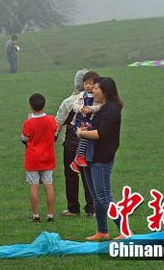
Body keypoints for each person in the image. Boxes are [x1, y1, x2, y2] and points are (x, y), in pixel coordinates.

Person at [76, 76, 123, 241]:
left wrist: (81, 133)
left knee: (104, 196)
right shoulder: (103, 108)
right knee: (96, 196)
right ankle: (102, 231)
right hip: (91, 155)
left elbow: (100, 134)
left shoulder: (111, 109)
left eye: (96, 88)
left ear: (105, 91)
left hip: (102, 157)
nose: (93, 90)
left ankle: (125, 230)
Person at [55, 69, 95, 217]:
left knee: (71, 176)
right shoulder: (96, 100)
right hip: (90, 142)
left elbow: (57, 125)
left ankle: (73, 208)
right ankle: (92, 209)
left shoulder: (68, 102)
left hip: (71, 143)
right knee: (88, 176)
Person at [21, 93, 57, 223]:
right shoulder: (51, 120)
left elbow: (24, 138)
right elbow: (55, 133)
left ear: (30, 106)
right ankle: (50, 214)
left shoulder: (28, 122)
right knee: (48, 185)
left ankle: (36, 214)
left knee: (34, 186)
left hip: (32, 158)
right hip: (48, 157)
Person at [69, 71, 102, 174]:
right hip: (81, 121)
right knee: (85, 135)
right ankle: (79, 157)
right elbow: (74, 106)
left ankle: (77, 159)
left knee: (86, 137)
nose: (87, 86)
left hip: (90, 120)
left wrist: (90, 109)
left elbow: (100, 106)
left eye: (90, 83)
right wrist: (81, 108)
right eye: (85, 83)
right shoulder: (81, 95)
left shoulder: (97, 96)